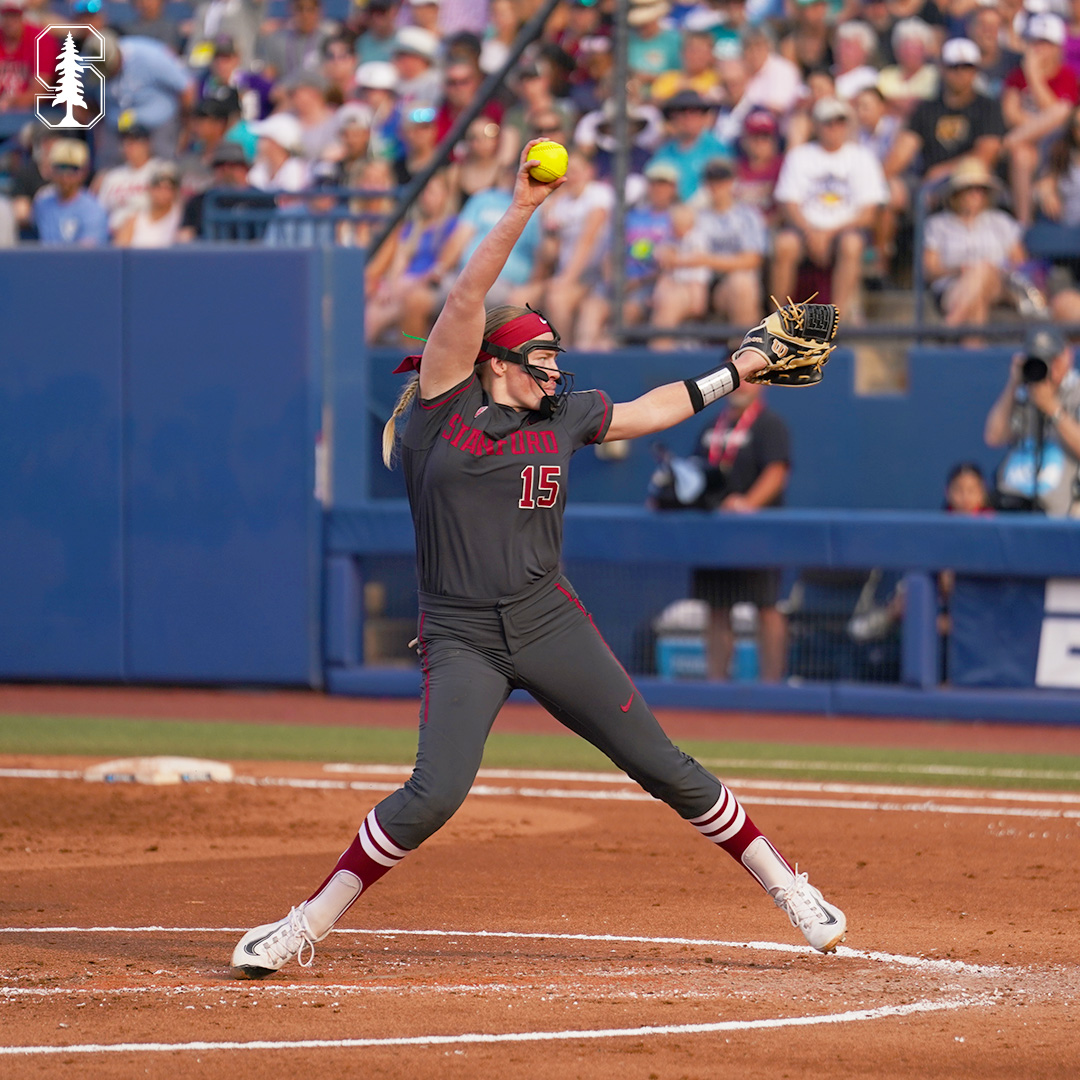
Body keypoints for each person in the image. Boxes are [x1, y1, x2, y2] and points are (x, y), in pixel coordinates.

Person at [230, 139, 847, 981]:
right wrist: (522, 205)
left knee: (662, 765)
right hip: (462, 634)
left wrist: (739, 367)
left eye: (556, 356)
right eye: (541, 357)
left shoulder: (564, 416)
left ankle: (792, 890)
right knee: (435, 794)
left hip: (548, 618)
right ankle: (306, 922)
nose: (555, 368)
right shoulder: (440, 410)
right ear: (496, 363)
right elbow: (464, 298)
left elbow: (652, 408)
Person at [689, 381, 792, 683]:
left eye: (749, 378)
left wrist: (748, 504)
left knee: (766, 606)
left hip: (758, 535)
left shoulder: (770, 425)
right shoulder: (711, 427)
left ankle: (772, 687)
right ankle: (715, 684)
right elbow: (695, 471)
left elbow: (777, 472)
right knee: (717, 606)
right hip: (715, 534)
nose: (740, 386)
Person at [771, 96, 888, 317]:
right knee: (784, 244)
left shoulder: (862, 157)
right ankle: (778, 319)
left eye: (840, 121)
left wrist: (827, 233)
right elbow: (789, 203)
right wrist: (810, 232)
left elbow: (869, 214)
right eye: (828, 122)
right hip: (805, 229)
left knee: (852, 244)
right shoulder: (800, 156)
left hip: (844, 230)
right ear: (816, 125)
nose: (834, 127)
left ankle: (836, 319)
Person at [922, 156, 1030, 331]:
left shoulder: (1001, 222)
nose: (976, 194)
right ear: (957, 193)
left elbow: (1020, 263)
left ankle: (948, 328)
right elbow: (930, 269)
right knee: (977, 302)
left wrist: (989, 269)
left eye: (981, 189)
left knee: (982, 269)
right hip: (953, 286)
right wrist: (959, 269)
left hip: (998, 284)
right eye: (970, 189)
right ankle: (972, 352)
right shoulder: (938, 225)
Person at [984, 322, 1080, 515]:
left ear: (1066, 356)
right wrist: (1013, 384)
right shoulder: (1023, 391)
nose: (1047, 366)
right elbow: (993, 437)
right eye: (1038, 358)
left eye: (1051, 358)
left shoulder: (1076, 391)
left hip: (1060, 508)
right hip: (1013, 501)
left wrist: (1052, 408)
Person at [32, 139, 109, 246]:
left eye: (73, 169)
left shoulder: (93, 209)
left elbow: (87, 255)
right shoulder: (42, 204)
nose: (65, 176)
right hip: (46, 261)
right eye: (61, 168)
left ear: (84, 171)